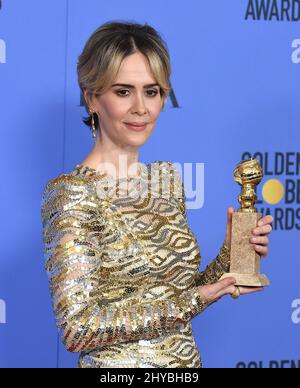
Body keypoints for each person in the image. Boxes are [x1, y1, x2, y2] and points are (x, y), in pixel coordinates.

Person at [41, 21, 273, 368]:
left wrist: (231, 255)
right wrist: (194, 300)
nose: (141, 108)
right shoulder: (73, 195)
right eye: (123, 91)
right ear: (91, 97)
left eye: (152, 91)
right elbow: (78, 329)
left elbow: (174, 295)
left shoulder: (166, 180)